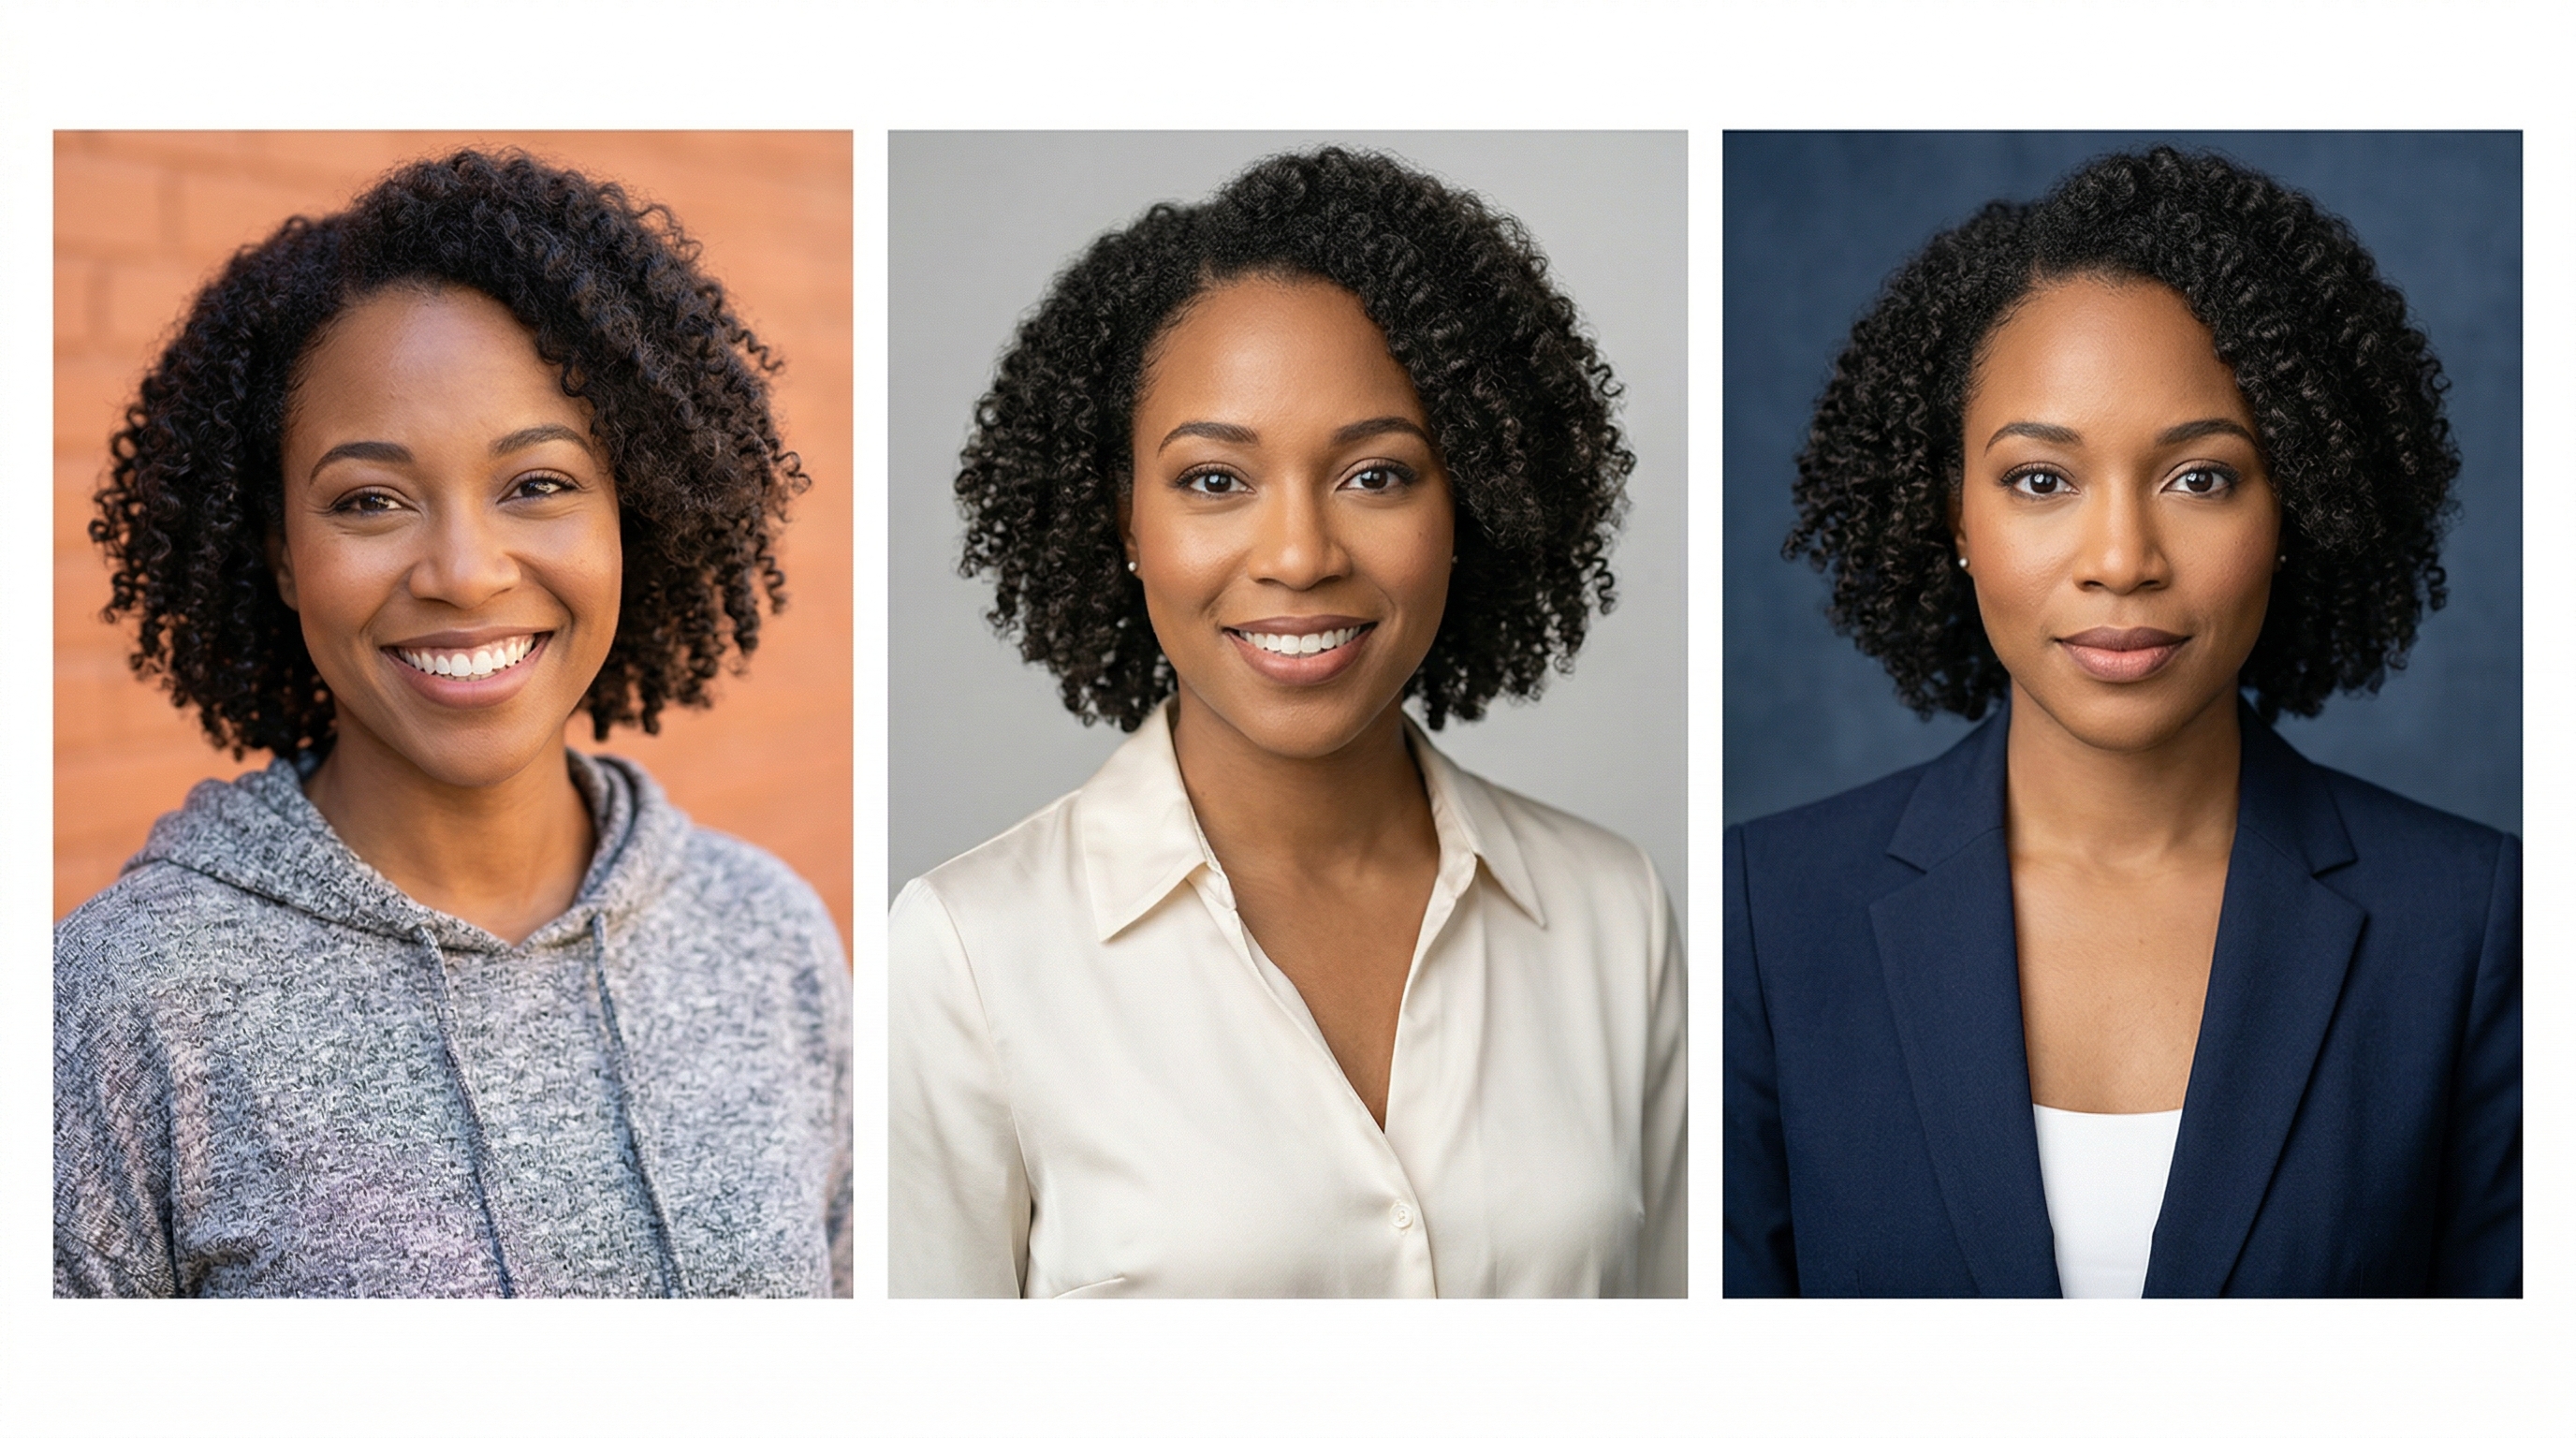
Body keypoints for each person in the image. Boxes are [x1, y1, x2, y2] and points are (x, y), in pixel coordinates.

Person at [1724, 147, 2519, 1299]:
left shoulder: (2473, 924)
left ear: (2295, 503)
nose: (2120, 562)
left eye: (2199, 478)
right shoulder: (1768, 913)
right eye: (2041, 480)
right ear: (1950, 511)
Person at [55, 151, 853, 1299]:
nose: (467, 574)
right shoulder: (118, 1004)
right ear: (281, 552)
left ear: (638, 515)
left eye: (538, 484)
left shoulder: (764, 933)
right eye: (369, 501)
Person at [890, 147, 1685, 1298]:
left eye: (1376, 475)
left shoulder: (1613, 911)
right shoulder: (968, 954)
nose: (1301, 555)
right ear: (1123, 521)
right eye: (1215, 481)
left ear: (1469, 503)